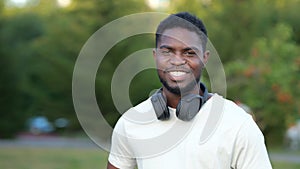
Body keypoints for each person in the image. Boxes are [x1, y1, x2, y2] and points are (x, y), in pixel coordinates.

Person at [107, 12, 272, 169]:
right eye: (167, 52)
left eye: (189, 53)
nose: (177, 61)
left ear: (205, 58)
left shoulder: (238, 124)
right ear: (155, 55)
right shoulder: (130, 123)